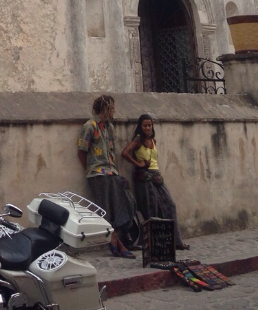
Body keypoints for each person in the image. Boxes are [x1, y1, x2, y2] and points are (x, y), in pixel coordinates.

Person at [77, 94, 137, 258]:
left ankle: (115, 237)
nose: (114, 110)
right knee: (106, 210)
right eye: (112, 107)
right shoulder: (90, 126)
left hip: (112, 172)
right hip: (97, 174)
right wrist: (91, 170)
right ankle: (117, 243)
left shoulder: (109, 127)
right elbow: (82, 151)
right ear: (105, 108)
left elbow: (111, 151)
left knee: (127, 203)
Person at [122, 114, 190, 250]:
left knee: (170, 205)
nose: (148, 127)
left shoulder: (153, 141)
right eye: (145, 125)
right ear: (140, 127)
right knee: (151, 209)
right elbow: (125, 153)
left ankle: (176, 241)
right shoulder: (138, 140)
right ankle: (154, 244)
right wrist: (138, 164)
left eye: (150, 125)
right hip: (145, 178)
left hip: (157, 176)